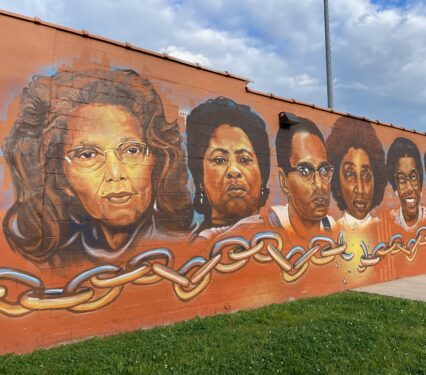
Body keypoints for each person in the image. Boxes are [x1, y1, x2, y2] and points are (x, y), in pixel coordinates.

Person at [3, 69, 193, 265]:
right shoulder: (56, 263)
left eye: (132, 150)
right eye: (87, 155)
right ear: (61, 178)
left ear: (156, 161)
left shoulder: (189, 246)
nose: (116, 173)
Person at [186, 97, 270, 240]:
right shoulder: (195, 247)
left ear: (263, 174)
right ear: (200, 177)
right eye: (220, 160)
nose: (234, 171)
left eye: (244, 159)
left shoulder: (279, 236)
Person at [272, 117, 335, 240]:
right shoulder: (268, 226)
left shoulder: (336, 230)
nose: (319, 185)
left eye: (323, 170)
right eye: (305, 171)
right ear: (284, 181)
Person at [326, 117, 387, 231]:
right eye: (350, 174)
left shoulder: (385, 230)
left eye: (366, 175)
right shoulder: (331, 232)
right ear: (337, 180)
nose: (360, 189)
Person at [386, 137, 426, 231]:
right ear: (395, 187)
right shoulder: (391, 220)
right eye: (401, 179)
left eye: (413, 177)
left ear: (420, 181)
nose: (409, 188)